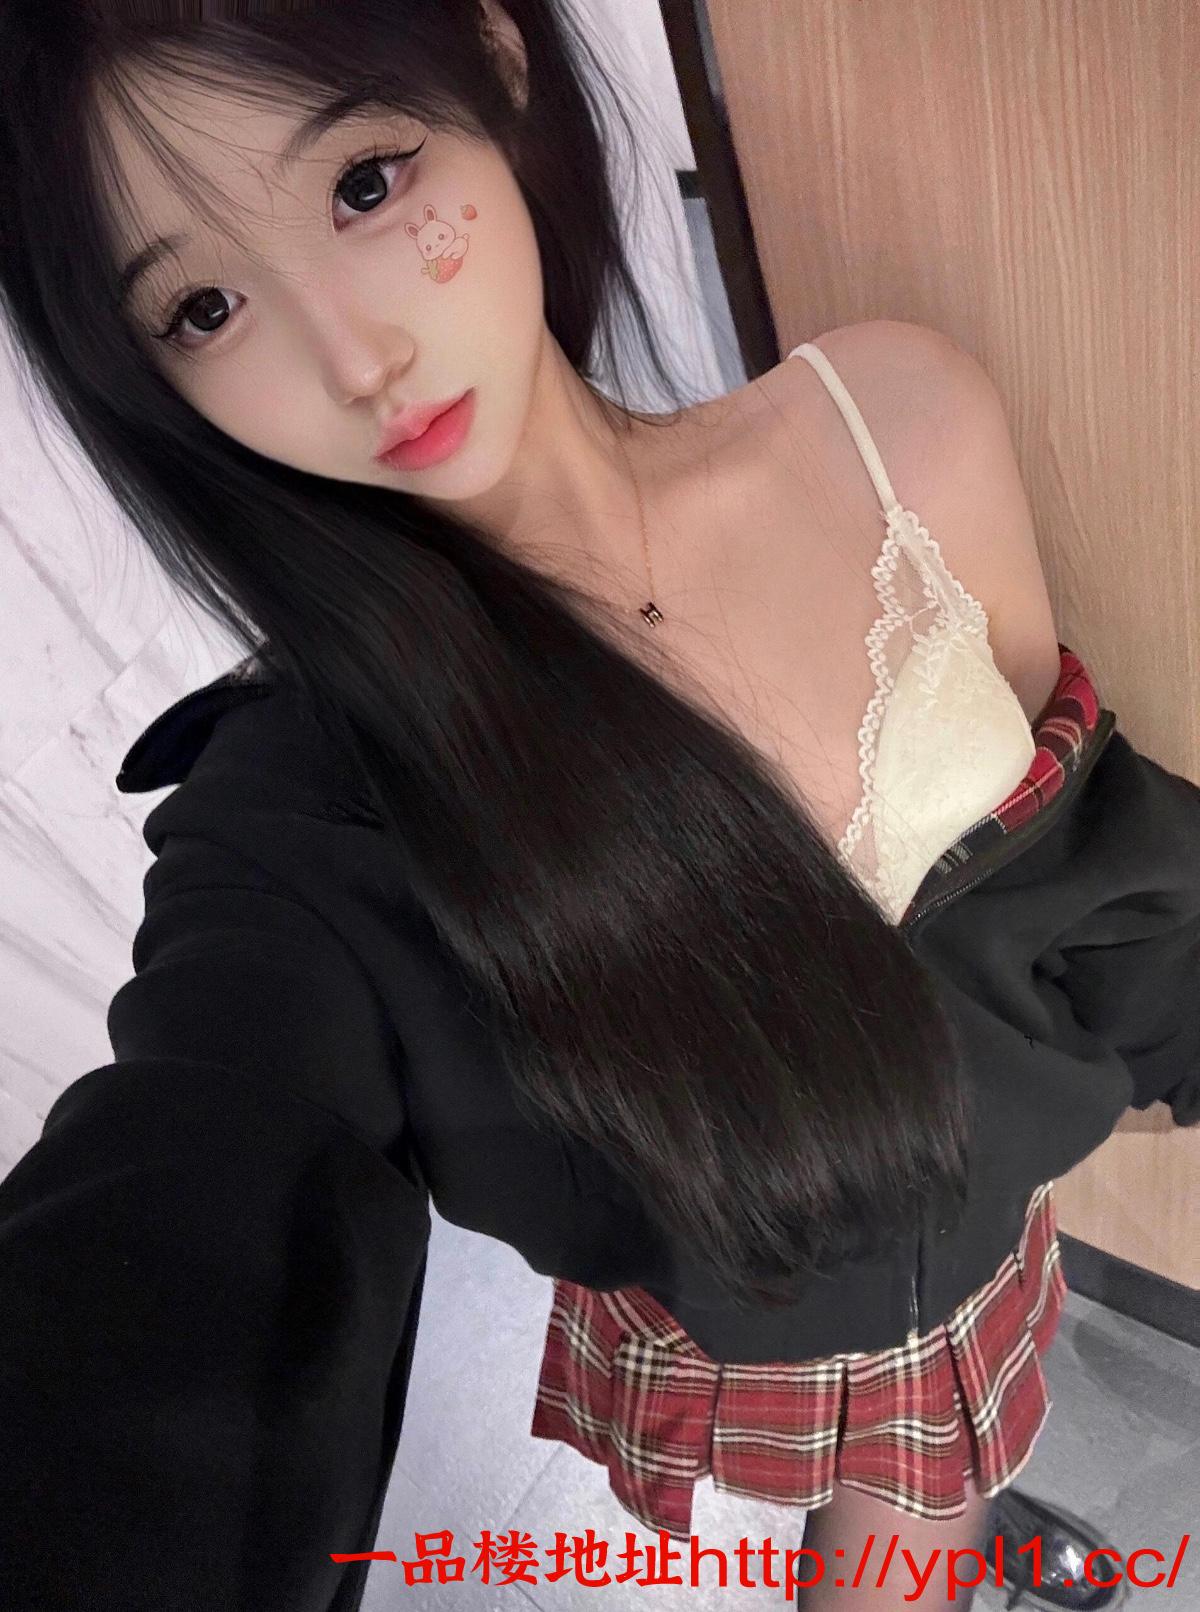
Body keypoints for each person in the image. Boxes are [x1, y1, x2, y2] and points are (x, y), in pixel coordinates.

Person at [1, 2, 1196, 1608]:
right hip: (761, 1312)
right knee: (880, 1542)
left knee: (937, 1471)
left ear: (495, 62)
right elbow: (208, 1176)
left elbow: (1066, 864)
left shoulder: (896, 421)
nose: (355, 361)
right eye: (204, 306)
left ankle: (959, 1504)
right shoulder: (307, 800)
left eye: (363, 184)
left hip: (985, 1233)